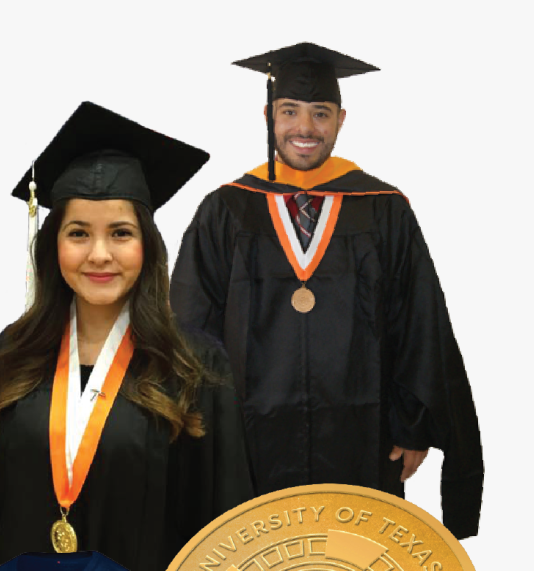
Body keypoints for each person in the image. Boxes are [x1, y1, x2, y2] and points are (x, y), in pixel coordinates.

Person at [170, 43, 483, 539]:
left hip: (361, 436)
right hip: (249, 440)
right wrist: (197, 429)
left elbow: (418, 318)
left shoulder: (383, 208)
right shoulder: (227, 209)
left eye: (320, 114)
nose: (305, 129)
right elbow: (190, 325)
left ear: (340, 119)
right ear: (268, 116)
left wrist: (412, 424)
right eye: (290, 112)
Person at [0, 102, 253, 571]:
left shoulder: (194, 366)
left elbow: (224, 529)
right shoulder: (15, 352)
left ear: (147, 246)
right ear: (54, 245)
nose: (99, 254)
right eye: (78, 234)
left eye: (120, 233)